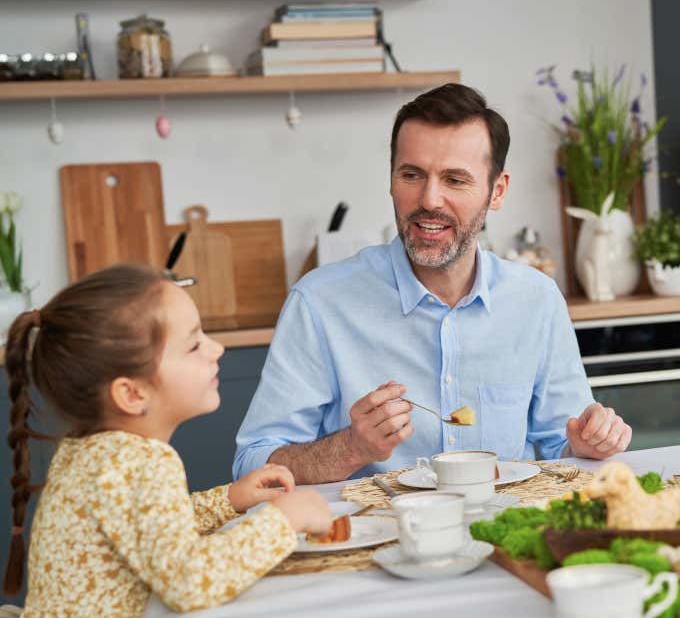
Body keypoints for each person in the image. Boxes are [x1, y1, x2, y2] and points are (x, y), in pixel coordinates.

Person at [2, 265, 331, 618]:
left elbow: (148, 528)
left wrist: (231, 499)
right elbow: (188, 580)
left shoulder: (93, 447)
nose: (217, 350)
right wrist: (282, 521)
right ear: (132, 394)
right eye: (195, 344)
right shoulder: (143, 462)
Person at [234, 84, 631, 484]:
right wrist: (352, 448)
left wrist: (586, 445)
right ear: (391, 180)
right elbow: (253, 463)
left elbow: (558, 446)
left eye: (455, 180)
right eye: (412, 175)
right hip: (370, 538)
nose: (430, 200)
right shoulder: (319, 302)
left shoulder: (537, 300)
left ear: (498, 191)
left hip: (506, 529)